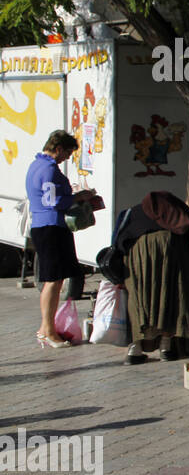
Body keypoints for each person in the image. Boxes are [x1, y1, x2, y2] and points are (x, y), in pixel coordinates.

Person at [25, 130, 96, 348]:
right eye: (66, 153)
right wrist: (79, 197)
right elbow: (53, 201)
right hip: (50, 226)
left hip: (43, 225)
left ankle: (46, 328)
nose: (67, 158)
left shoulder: (35, 165)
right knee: (53, 280)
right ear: (58, 149)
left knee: (54, 279)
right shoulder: (49, 170)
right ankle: (47, 330)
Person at [112, 191, 189, 365]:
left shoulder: (133, 213)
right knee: (171, 295)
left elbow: (118, 241)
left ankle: (134, 349)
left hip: (137, 256)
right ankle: (166, 348)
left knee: (138, 299)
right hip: (172, 252)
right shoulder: (176, 217)